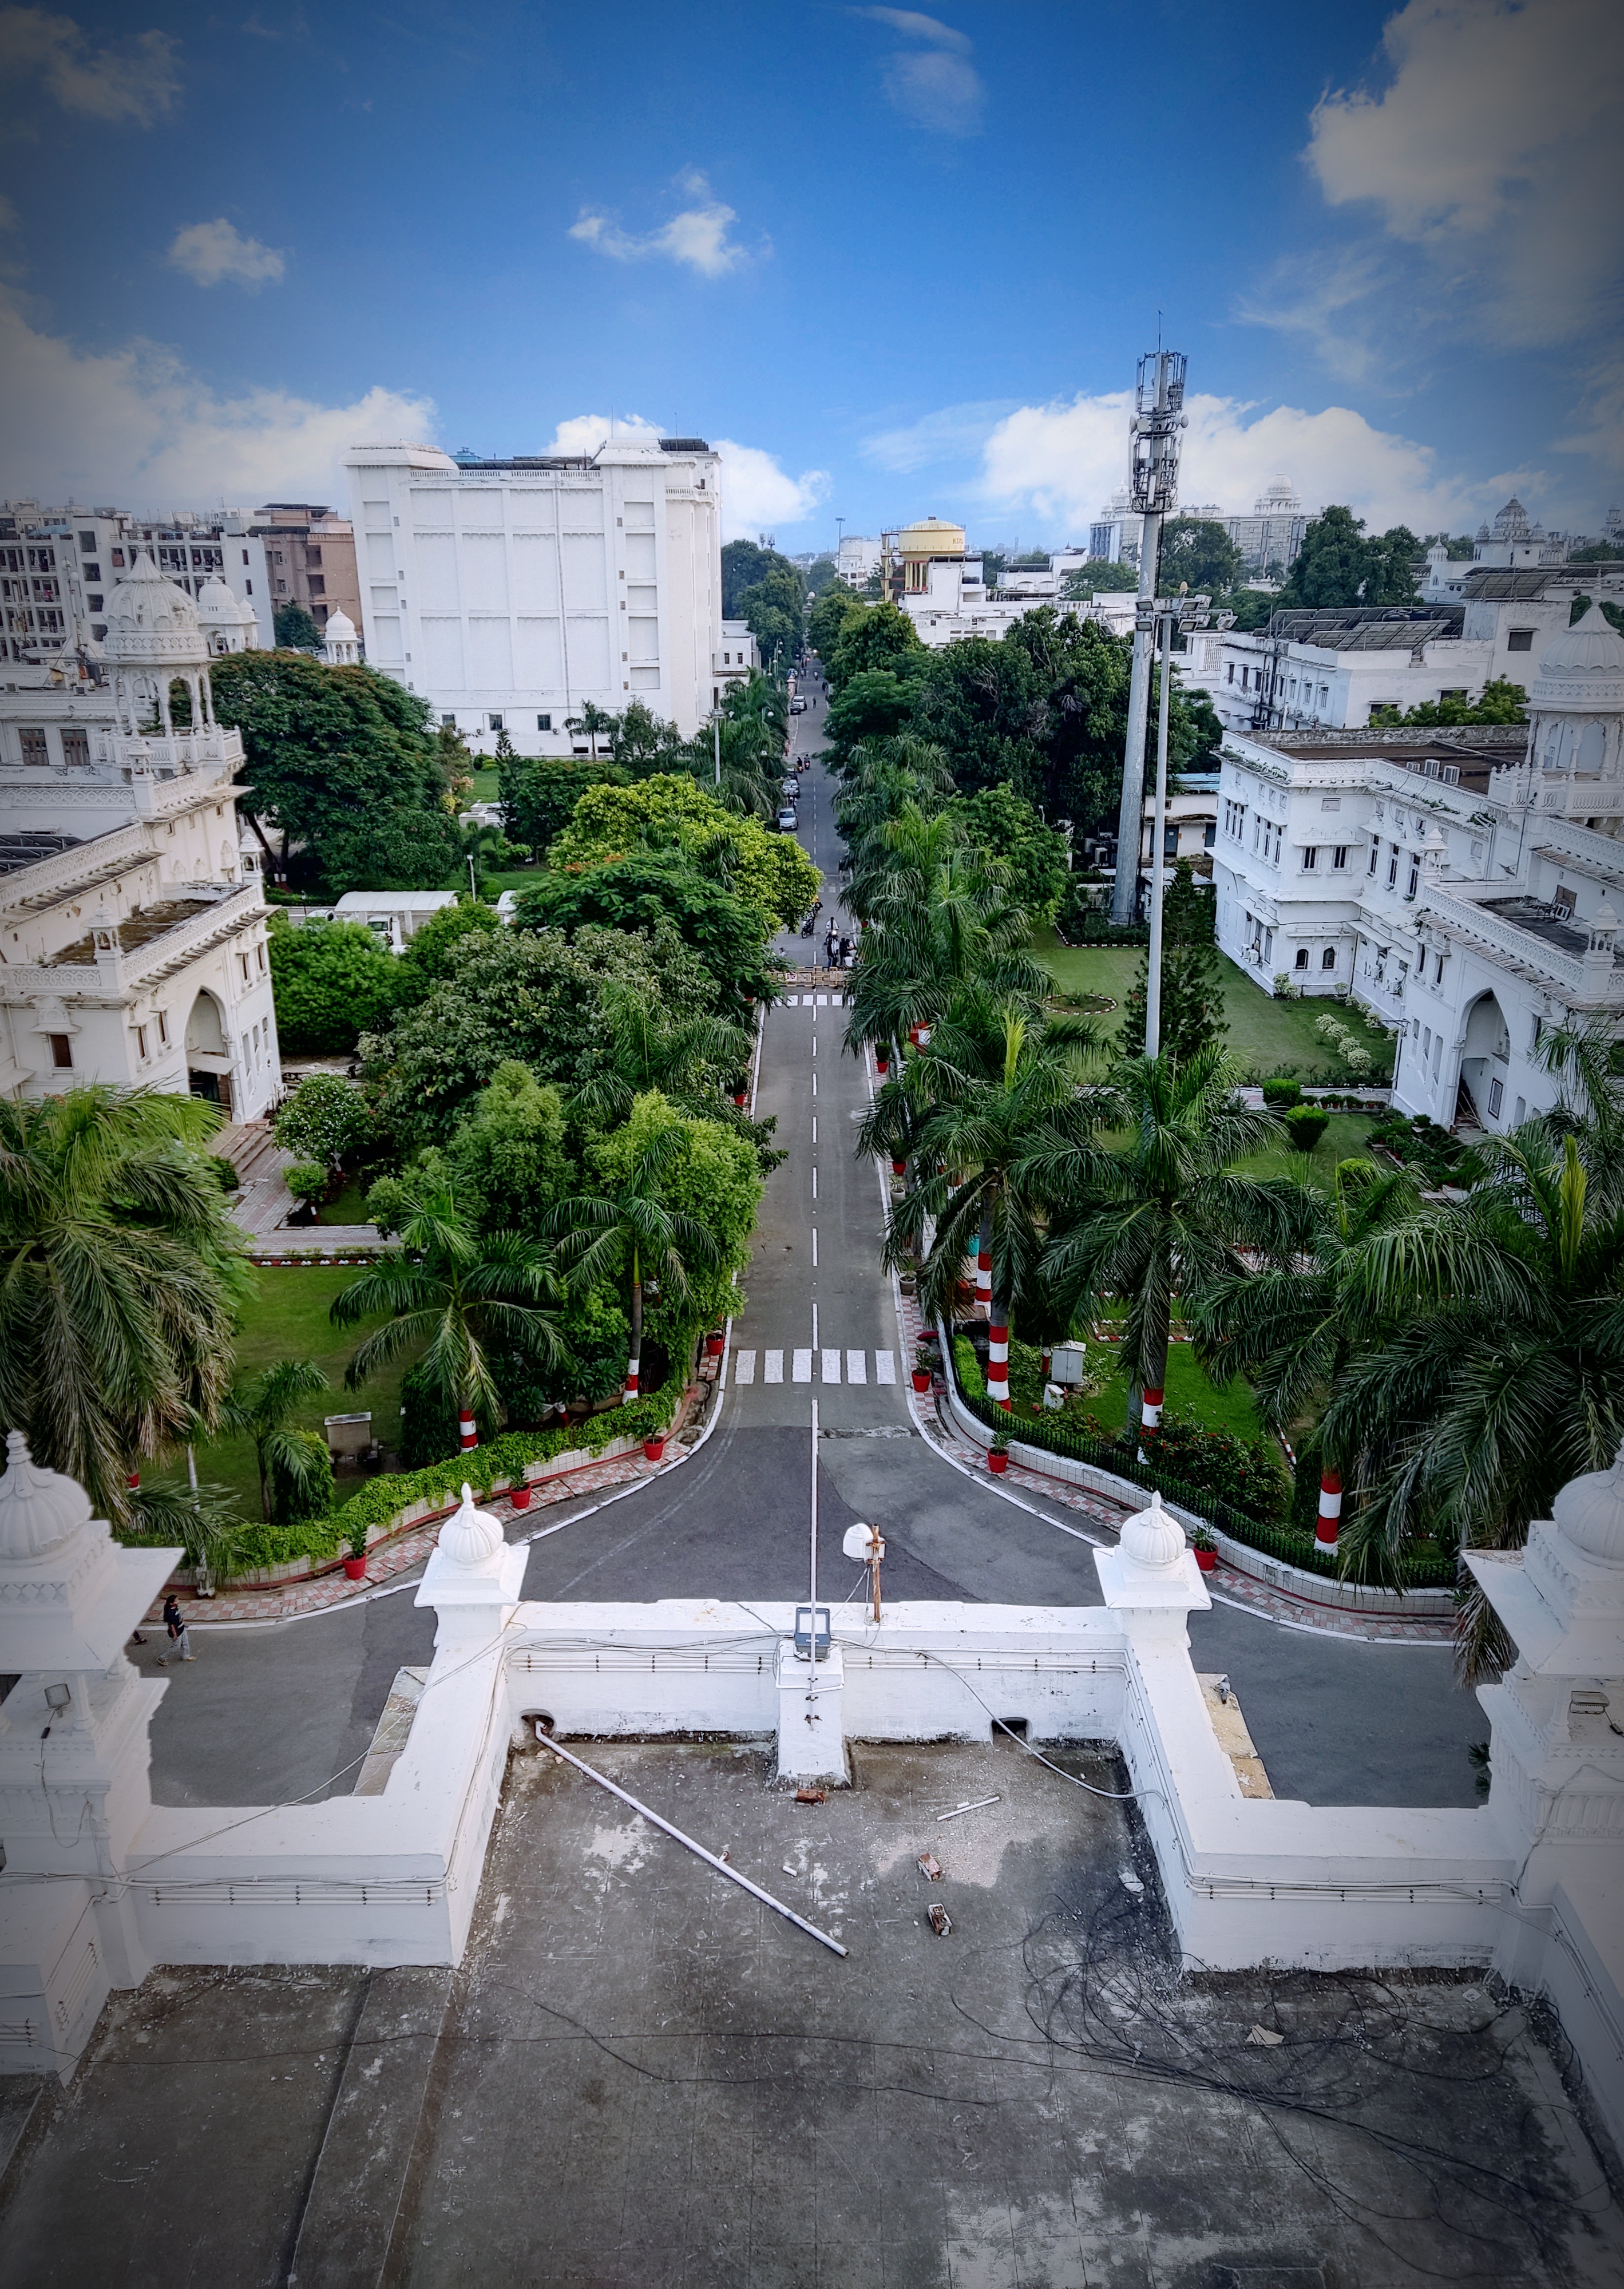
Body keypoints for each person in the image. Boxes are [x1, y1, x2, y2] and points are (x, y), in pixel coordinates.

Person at [156, 1591, 194, 1665]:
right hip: (176, 1631)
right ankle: (162, 1658)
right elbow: (172, 1626)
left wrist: (184, 1624)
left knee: (186, 1642)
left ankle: (186, 1656)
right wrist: (175, 1635)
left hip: (182, 1628)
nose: (178, 1601)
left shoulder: (176, 1607)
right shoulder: (170, 1613)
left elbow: (180, 1616)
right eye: (176, 1600)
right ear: (171, 1603)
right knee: (176, 1647)